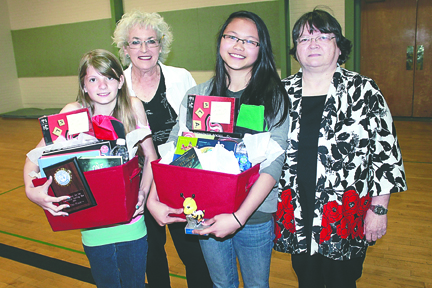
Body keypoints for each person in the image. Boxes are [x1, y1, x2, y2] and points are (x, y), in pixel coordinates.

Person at [146, 10, 290, 288]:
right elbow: (174, 151)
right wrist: (154, 198)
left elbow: (274, 162)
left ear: (262, 50)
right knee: (221, 284)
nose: (239, 46)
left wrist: (238, 218)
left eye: (250, 41)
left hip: (253, 216)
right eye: (232, 37)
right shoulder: (197, 96)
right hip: (205, 210)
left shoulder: (273, 97)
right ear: (220, 41)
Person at [274, 8, 408, 288]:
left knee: (342, 280)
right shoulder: (282, 93)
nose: (312, 44)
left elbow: (385, 155)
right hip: (297, 211)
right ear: (295, 50)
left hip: (345, 214)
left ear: (338, 45)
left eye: (322, 36)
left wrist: (379, 211)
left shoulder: (363, 90)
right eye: (303, 39)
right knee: (306, 278)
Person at [23, 49, 158, 288]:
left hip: (132, 222)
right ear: (84, 85)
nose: (102, 85)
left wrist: (144, 193)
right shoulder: (72, 112)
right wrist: (30, 190)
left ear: (121, 80)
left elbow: (151, 156)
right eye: (93, 79)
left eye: (109, 77)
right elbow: (35, 158)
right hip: (93, 225)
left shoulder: (133, 107)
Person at [112, 10, 213, 288]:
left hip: (183, 182)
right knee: (151, 256)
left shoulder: (181, 78)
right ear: (124, 48)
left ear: (161, 45)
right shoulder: (115, 85)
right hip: (139, 185)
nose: (144, 49)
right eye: (135, 42)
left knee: (195, 254)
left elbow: (199, 128)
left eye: (151, 41)